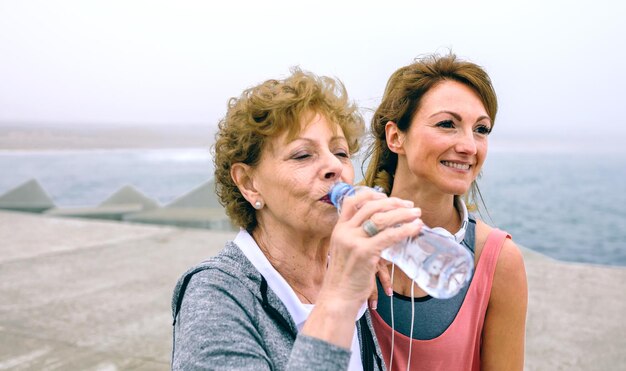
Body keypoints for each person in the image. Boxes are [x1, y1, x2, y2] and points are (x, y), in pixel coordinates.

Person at [171, 68, 424, 370]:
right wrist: (340, 296)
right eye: (303, 155)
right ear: (249, 183)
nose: (335, 167)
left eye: (341, 153)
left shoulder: (355, 273)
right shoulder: (216, 294)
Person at [363, 53, 528, 370]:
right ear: (396, 136)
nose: (469, 145)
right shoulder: (342, 238)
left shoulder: (498, 261)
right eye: (447, 124)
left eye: (481, 129)